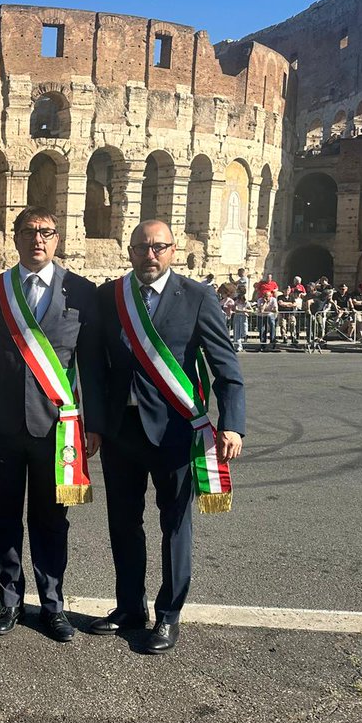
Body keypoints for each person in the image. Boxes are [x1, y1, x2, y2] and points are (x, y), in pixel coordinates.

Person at [89, 220, 245, 654]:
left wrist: (231, 422)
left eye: (159, 247)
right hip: (122, 431)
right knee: (123, 523)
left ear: (173, 250)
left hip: (176, 431)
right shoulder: (111, 296)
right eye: (142, 247)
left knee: (175, 525)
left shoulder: (197, 297)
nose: (150, 255)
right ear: (130, 251)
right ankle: (128, 607)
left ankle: (169, 615)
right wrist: (96, 424)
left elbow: (224, 365)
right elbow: (98, 367)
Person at [0, 204, 105, 642]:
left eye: (46, 231)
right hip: (3, 427)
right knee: (4, 516)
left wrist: (94, 424)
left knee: (51, 521)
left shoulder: (81, 291)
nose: (38, 239)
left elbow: (93, 365)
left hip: (56, 431)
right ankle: (8, 599)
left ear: (58, 238)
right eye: (29, 231)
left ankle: (52, 604)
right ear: (15, 238)